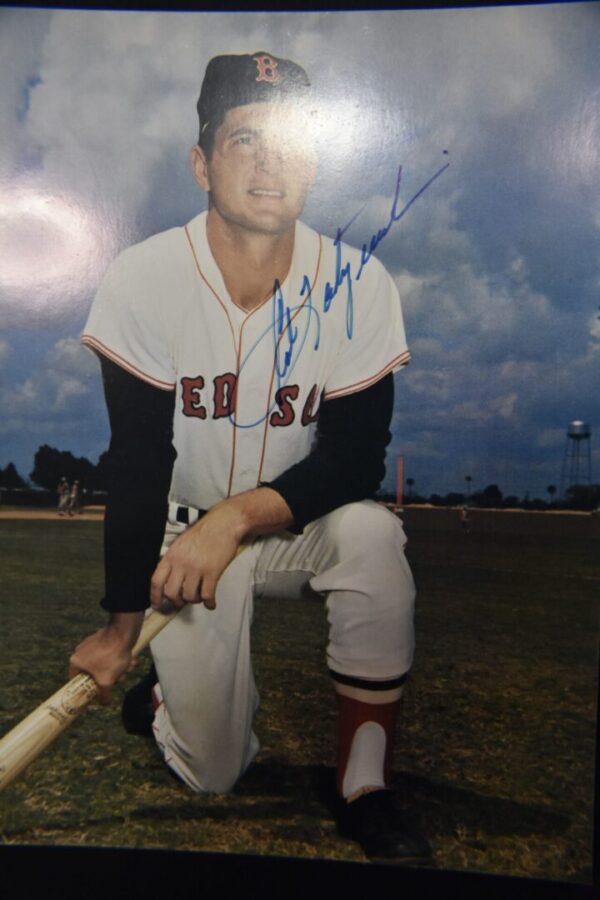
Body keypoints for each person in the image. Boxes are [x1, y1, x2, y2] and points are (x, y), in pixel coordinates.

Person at [69, 51, 430, 861]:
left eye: (292, 143)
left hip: (291, 525)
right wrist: (123, 624)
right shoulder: (145, 275)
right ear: (201, 163)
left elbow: (355, 460)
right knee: (214, 773)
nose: (272, 163)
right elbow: (135, 458)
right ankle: (169, 697)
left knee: (374, 535)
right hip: (185, 542)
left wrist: (236, 518)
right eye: (245, 140)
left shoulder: (358, 282)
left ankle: (363, 782)